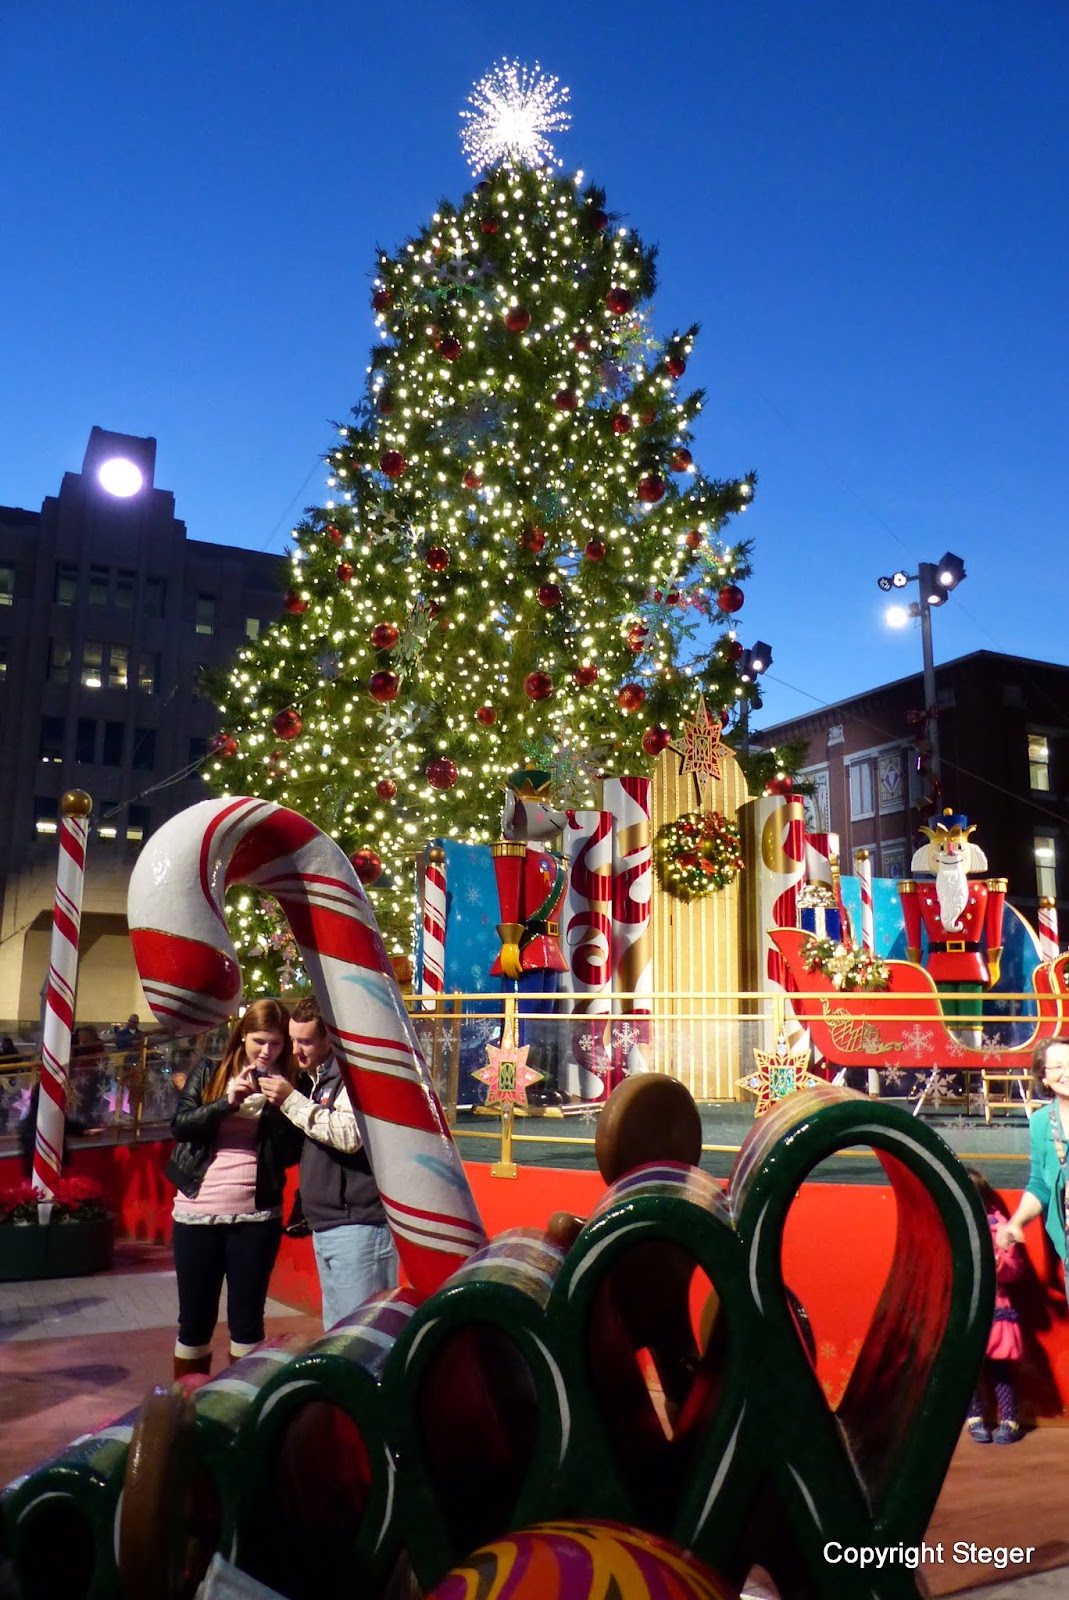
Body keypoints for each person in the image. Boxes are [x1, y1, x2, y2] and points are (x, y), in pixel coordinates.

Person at [165, 998, 304, 1378]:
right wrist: (227, 1102)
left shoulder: (291, 1082)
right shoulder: (210, 1070)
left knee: (247, 1321)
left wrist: (281, 1104)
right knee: (194, 1320)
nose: (267, 1051)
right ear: (242, 1035)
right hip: (197, 1210)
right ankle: (189, 1405)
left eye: (276, 1044)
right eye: (260, 1040)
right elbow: (181, 1125)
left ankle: (239, 1409)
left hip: (256, 1215)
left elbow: (291, 1153)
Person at [257, 994, 398, 1329]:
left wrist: (291, 1100)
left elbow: (349, 1135)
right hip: (331, 1225)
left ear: (330, 1038)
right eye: (292, 1040)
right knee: (339, 1333)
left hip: (359, 1227)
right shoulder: (319, 1078)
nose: (296, 1050)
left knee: (360, 1334)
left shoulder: (353, 1077)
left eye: (305, 1041)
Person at [997, 1036, 1069, 1300]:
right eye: (1058, 1067)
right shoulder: (1040, 1122)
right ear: (1044, 1077)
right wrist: (1017, 1223)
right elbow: (1040, 1184)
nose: (1067, 1073)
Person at [965, 1167, 1024, 1444]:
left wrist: (1000, 1265)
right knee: (967, 1365)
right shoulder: (954, 1226)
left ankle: (1010, 1419)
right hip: (965, 1305)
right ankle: (974, 1416)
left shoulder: (1001, 1227)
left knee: (1000, 1366)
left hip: (995, 1306)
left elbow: (1015, 1269)